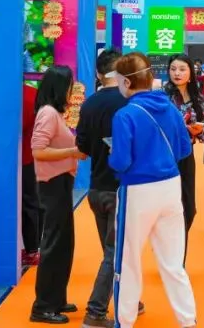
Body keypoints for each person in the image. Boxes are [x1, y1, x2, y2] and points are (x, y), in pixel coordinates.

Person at [110, 52, 197, 328]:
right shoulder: (170, 108)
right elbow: (184, 149)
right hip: (171, 187)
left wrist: (113, 156)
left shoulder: (125, 115)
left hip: (138, 190)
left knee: (128, 260)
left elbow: (121, 161)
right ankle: (188, 321)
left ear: (126, 82)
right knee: (173, 263)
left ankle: (125, 321)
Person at [75, 49, 142, 327]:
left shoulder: (89, 103)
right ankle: (95, 311)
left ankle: (130, 297)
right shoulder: (130, 102)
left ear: (98, 73)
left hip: (97, 187)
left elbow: (82, 147)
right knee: (116, 251)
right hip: (122, 189)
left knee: (114, 248)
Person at [30, 65, 84, 325]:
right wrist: (72, 152)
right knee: (53, 245)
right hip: (52, 185)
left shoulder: (54, 114)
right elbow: (38, 150)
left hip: (61, 183)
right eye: (70, 86)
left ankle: (56, 298)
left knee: (63, 244)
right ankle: (43, 306)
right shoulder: (48, 114)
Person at [163, 53, 204, 265]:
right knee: (167, 209)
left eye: (182, 69)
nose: (177, 73)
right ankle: (175, 261)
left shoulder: (199, 99)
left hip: (186, 156)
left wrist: (196, 130)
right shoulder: (162, 97)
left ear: (191, 73)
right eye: (173, 69)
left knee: (188, 208)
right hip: (164, 157)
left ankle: (174, 255)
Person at [21, 81, 42, 267]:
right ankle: (33, 247)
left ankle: (31, 249)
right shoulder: (32, 93)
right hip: (33, 155)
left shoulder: (21, 97)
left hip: (23, 157)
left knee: (28, 203)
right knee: (33, 202)